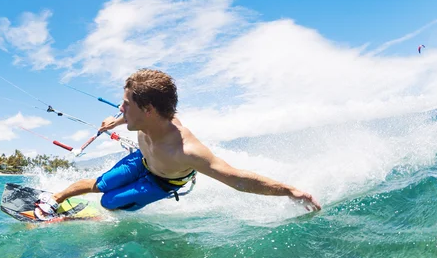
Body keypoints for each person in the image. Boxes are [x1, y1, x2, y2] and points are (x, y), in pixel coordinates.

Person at [35, 69, 321, 219]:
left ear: (148, 109)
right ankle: (55, 199)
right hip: (142, 160)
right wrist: (117, 122)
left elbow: (238, 180)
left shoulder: (187, 150)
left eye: (125, 105)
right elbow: (129, 118)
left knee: (109, 202)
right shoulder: (142, 119)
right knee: (101, 184)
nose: (120, 110)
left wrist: (289, 190)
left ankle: (97, 219)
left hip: (163, 181)